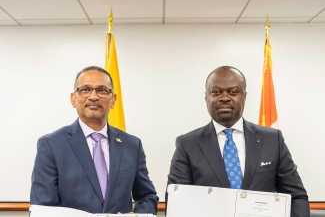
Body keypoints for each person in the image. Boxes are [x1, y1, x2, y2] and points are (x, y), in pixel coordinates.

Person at [167, 66, 309, 216]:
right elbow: (177, 202)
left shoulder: (272, 140)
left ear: (244, 96)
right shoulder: (187, 144)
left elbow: (296, 197)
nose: (224, 98)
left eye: (233, 92)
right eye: (216, 92)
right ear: (206, 97)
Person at [30, 66, 158, 214]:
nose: (93, 96)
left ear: (113, 100)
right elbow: (43, 208)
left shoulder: (132, 145)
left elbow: (147, 196)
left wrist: (137, 215)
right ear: (73, 98)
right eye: (85, 89)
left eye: (102, 90)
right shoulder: (51, 145)